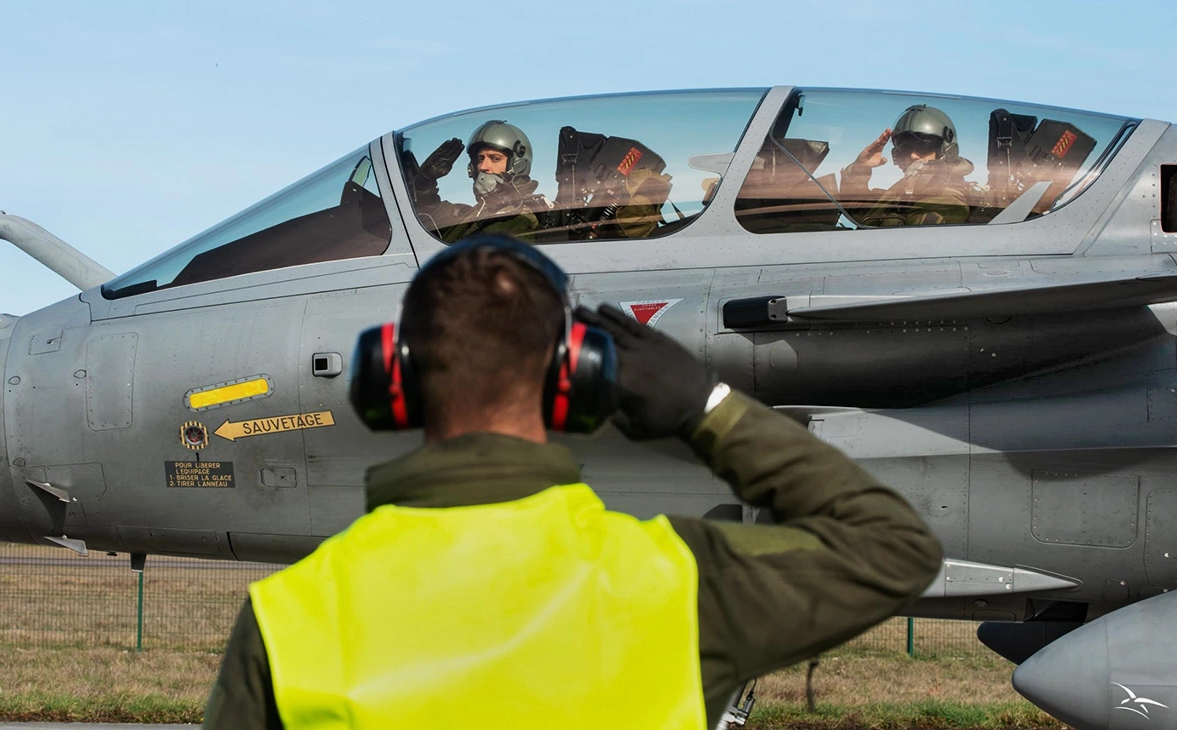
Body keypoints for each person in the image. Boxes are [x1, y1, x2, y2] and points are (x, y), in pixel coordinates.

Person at [203, 234, 943, 729]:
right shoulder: (670, 582)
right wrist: (703, 406)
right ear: (576, 380)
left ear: (390, 375)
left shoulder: (289, 619)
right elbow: (892, 547)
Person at [410, 120, 551, 243]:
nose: (483, 167)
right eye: (480, 159)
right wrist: (424, 182)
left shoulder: (516, 220)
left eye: (495, 158)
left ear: (518, 165)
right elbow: (429, 216)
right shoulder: (477, 214)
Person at [840, 104, 975, 226]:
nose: (912, 155)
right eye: (906, 147)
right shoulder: (903, 192)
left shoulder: (946, 199)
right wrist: (859, 168)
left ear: (947, 150)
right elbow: (859, 212)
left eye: (923, 146)